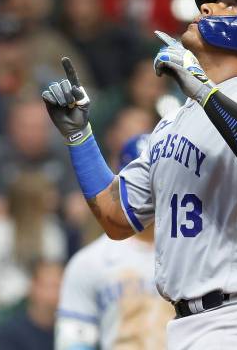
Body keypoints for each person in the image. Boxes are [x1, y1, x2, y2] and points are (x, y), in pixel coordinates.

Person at [42, 0, 237, 348]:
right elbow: (116, 217)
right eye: (208, 4)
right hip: (189, 323)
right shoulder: (173, 121)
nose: (206, 9)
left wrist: (203, 88)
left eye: (226, 6)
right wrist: (80, 138)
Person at [55, 134, 174, 349]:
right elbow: (74, 343)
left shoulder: (194, 251)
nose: (148, 193)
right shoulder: (91, 261)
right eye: (142, 182)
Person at [0, 171, 67, 305]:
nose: (54, 198)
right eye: (48, 194)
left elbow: (54, 279)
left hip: (39, 308)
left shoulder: (52, 232)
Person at [0, 261, 64, 350]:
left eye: (57, 286)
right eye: (46, 286)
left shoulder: (72, 330)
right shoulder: (11, 331)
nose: (51, 294)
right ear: (32, 287)